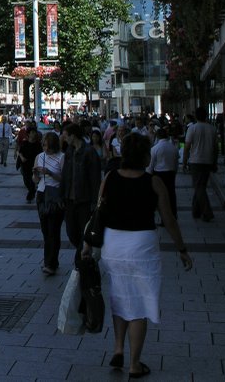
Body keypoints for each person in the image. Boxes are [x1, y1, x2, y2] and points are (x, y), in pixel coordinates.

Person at [82, 132, 192, 378]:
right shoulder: (153, 182)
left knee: (120, 296)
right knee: (140, 304)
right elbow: (169, 219)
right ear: (145, 155)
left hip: (113, 246)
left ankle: (119, 348)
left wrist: (88, 244)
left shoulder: (109, 178)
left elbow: (98, 212)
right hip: (142, 247)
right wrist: (182, 249)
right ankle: (135, 364)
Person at [59, 123, 101, 270]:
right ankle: (83, 251)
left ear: (73, 136)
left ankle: (80, 260)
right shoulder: (69, 151)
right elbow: (65, 174)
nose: (64, 139)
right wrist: (61, 195)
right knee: (71, 232)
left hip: (84, 199)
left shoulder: (89, 152)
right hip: (70, 199)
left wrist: (95, 201)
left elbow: (95, 178)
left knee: (84, 230)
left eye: (65, 136)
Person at [33, 131, 65, 276]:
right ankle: (50, 260)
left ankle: (50, 263)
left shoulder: (61, 157)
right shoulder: (39, 157)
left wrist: (50, 173)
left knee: (53, 230)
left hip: (55, 195)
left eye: (49, 146)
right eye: (44, 145)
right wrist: (35, 174)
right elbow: (36, 180)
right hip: (41, 194)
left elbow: (64, 180)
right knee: (45, 230)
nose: (46, 149)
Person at [184, 107, 217, 221]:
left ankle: (207, 212)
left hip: (195, 161)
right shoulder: (212, 129)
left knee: (199, 187)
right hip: (208, 160)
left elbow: (187, 147)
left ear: (196, 116)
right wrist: (215, 162)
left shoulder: (192, 128)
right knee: (200, 186)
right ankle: (196, 210)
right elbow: (215, 147)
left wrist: (184, 162)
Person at [147, 127, 179, 220]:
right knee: (171, 194)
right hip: (171, 173)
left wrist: (149, 174)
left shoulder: (155, 149)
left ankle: (163, 217)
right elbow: (176, 162)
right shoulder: (173, 148)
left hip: (159, 174)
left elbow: (151, 164)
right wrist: (175, 171)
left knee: (160, 195)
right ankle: (173, 213)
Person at [17, 126, 43, 203]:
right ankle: (32, 191)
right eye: (32, 133)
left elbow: (41, 155)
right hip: (25, 165)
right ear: (28, 134)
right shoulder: (25, 143)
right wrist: (21, 157)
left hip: (34, 165)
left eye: (34, 132)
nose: (33, 134)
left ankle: (30, 195)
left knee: (32, 182)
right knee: (26, 181)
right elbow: (20, 152)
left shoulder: (38, 144)